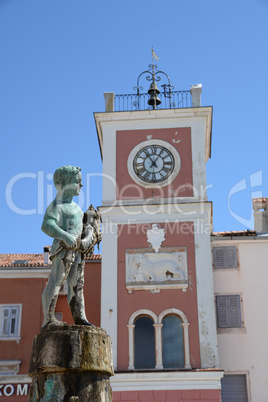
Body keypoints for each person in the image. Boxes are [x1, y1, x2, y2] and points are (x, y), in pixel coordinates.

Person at [41, 165, 101, 327]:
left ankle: (80, 317)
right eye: (77, 181)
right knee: (56, 281)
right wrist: (65, 236)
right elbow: (47, 225)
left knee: (77, 284)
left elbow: (82, 229)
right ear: (65, 184)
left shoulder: (77, 209)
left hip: (77, 251)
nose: (81, 185)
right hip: (62, 249)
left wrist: (90, 227)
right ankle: (48, 319)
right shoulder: (56, 206)